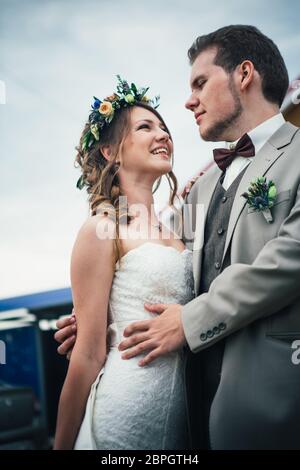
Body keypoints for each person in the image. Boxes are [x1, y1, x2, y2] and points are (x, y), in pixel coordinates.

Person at [56, 25, 300, 450]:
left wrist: (185, 322)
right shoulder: (201, 194)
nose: (188, 102)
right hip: (162, 411)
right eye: (146, 127)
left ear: (245, 74)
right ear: (111, 151)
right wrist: (94, 319)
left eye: (200, 84)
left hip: (268, 403)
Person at [53, 77, 194, 450]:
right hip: (122, 419)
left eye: (164, 127)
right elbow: (86, 353)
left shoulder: (181, 227)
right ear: (110, 151)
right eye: (146, 127)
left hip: (182, 423)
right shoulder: (101, 229)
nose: (163, 135)